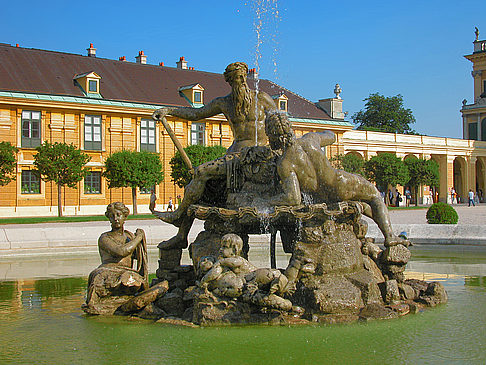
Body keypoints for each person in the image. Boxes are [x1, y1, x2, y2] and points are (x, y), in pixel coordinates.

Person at [150, 62, 277, 249]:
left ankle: (178, 216)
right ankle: (181, 235)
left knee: (201, 172)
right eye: (235, 79)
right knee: (199, 183)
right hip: (236, 155)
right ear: (229, 82)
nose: (240, 82)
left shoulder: (263, 98)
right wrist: (169, 111)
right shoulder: (224, 102)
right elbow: (196, 113)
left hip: (260, 155)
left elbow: (280, 123)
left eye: (242, 77)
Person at [264, 112, 408, 247]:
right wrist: (326, 132)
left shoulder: (284, 163)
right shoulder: (310, 139)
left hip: (321, 197)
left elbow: (292, 198)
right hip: (339, 184)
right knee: (374, 196)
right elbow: (331, 136)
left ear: (272, 135)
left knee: (369, 199)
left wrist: (267, 201)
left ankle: (386, 236)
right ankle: (389, 236)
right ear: (290, 128)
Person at [83, 202, 148, 314]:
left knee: (134, 279)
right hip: (108, 269)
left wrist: (140, 242)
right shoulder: (104, 238)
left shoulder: (129, 237)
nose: (116, 218)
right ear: (109, 218)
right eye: (112, 216)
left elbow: (140, 258)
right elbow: (121, 252)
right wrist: (139, 238)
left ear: (124, 217)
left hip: (126, 271)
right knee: (99, 278)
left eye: (118, 215)